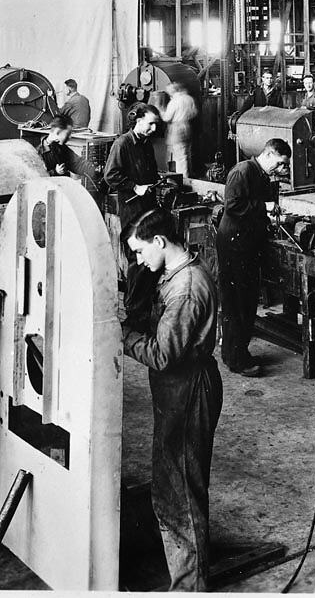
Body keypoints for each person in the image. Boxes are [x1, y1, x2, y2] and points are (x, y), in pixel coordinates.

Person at [122, 209, 223, 591]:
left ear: (160, 241)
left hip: (188, 389)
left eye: (140, 251)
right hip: (176, 389)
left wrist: (121, 335)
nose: (138, 259)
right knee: (170, 486)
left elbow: (163, 354)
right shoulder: (173, 274)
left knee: (181, 493)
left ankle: (190, 588)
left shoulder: (186, 289)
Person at [216, 138, 292, 377]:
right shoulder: (243, 171)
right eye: (280, 163)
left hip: (247, 244)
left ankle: (237, 353)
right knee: (237, 304)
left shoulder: (261, 175)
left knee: (247, 302)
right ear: (268, 154)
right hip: (234, 245)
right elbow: (233, 205)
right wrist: (265, 207)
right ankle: (236, 360)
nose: (282, 169)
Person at [104, 103, 163, 324]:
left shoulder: (146, 144)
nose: (153, 129)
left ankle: (143, 313)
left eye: (156, 125)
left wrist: (156, 181)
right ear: (138, 121)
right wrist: (135, 187)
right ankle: (133, 316)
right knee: (137, 263)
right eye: (150, 124)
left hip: (148, 209)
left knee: (149, 262)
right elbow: (111, 175)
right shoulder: (123, 144)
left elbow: (150, 172)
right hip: (132, 211)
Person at [35, 114, 101, 181]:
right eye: (68, 134)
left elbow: (77, 163)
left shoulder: (61, 147)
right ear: (57, 132)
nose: (70, 137)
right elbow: (36, 178)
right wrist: (55, 172)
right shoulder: (36, 151)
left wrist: (95, 170)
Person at [160, 81, 198, 177]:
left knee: (180, 157)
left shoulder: (174, 101)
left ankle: (183, 179)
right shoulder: (189, 98)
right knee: (187, 154)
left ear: (173, 90)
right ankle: (189, 176)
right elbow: (194, 113)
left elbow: (166, 118)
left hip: (176, 128)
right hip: (187, 126)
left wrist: (160, 111)